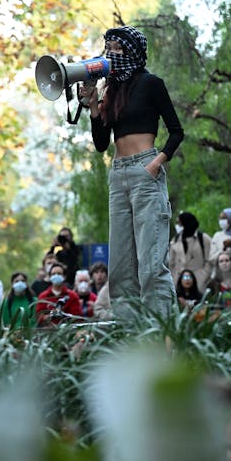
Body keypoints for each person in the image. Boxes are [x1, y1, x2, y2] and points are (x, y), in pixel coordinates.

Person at [79, 25, 184, 316]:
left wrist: (155, 163)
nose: (111, 54)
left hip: (144, 170)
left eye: (117, 48)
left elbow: (176, 132)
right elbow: (102, 143)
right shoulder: (111, 90)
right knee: (121, 271)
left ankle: (162, 341)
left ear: (132, 51)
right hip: (118, 174)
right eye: (108, 48)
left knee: (151, 266)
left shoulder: (152, 83)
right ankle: (131, 342)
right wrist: (93, 106)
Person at [169, 211, 212, 292]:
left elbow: (209, 260)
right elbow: (171, 263)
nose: (178, 226)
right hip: (178, 282)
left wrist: (203, 276)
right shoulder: (175, 239)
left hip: (198, 281)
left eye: (179, 223)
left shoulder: (203, 239)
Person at [36, 263, 82, 327]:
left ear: (64, 276)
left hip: (67, 330)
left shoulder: (72, 296)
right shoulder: (43, 296)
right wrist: (49, 317)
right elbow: (38, 317)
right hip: (47, 332)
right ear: (50, 277)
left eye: (59, 274)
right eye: (53, 274)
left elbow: (76, 317)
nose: (56, 276)